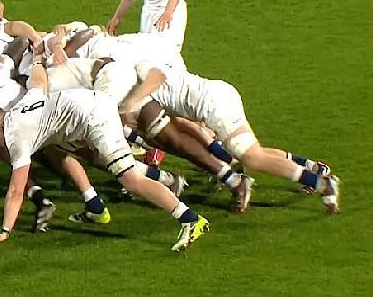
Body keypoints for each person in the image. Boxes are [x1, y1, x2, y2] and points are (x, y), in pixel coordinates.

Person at [0, 57, 210, 252]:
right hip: (90, 104)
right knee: (64, 149)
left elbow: (16, 190)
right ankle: (96, 205)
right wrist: (38, 60)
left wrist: (4, 231)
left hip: (94, 120)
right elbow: (38, 81)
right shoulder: (19, 108)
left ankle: (190, 219)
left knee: (130, 179)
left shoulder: (17, 136)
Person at [123, 61, 341, 213]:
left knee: (252, 158)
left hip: (214, 106)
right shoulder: (143, 62)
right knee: (252, 151)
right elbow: (182, 123)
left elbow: (157, 78)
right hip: (217, 95)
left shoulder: (137, 72)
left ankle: (322, 184)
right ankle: (313, 168)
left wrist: (132, 104)